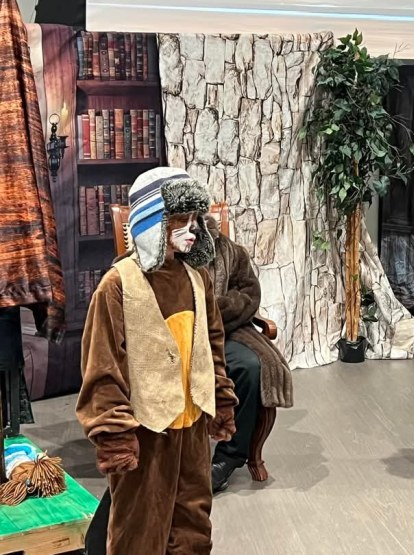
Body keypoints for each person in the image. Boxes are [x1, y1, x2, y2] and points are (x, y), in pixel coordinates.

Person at [76, 167, 238, 554]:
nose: (192, 230)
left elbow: (212, 345)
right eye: (180, 220)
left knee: (194, 520)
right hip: (147, 429)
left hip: (192, 425)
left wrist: (220, 399)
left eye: (195, 220)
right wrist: (115, 435)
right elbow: (102, 366)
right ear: (153, 221)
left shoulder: (197, 279)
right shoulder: (117, 285)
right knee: (139, 525)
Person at [204, 215, 293, 492]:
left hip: (226, 331)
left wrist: (214, 311)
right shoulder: (165, 252)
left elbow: (250, 293)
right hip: (176, 336)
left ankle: (228, 458)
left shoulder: (229, 251)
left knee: (251, 366)